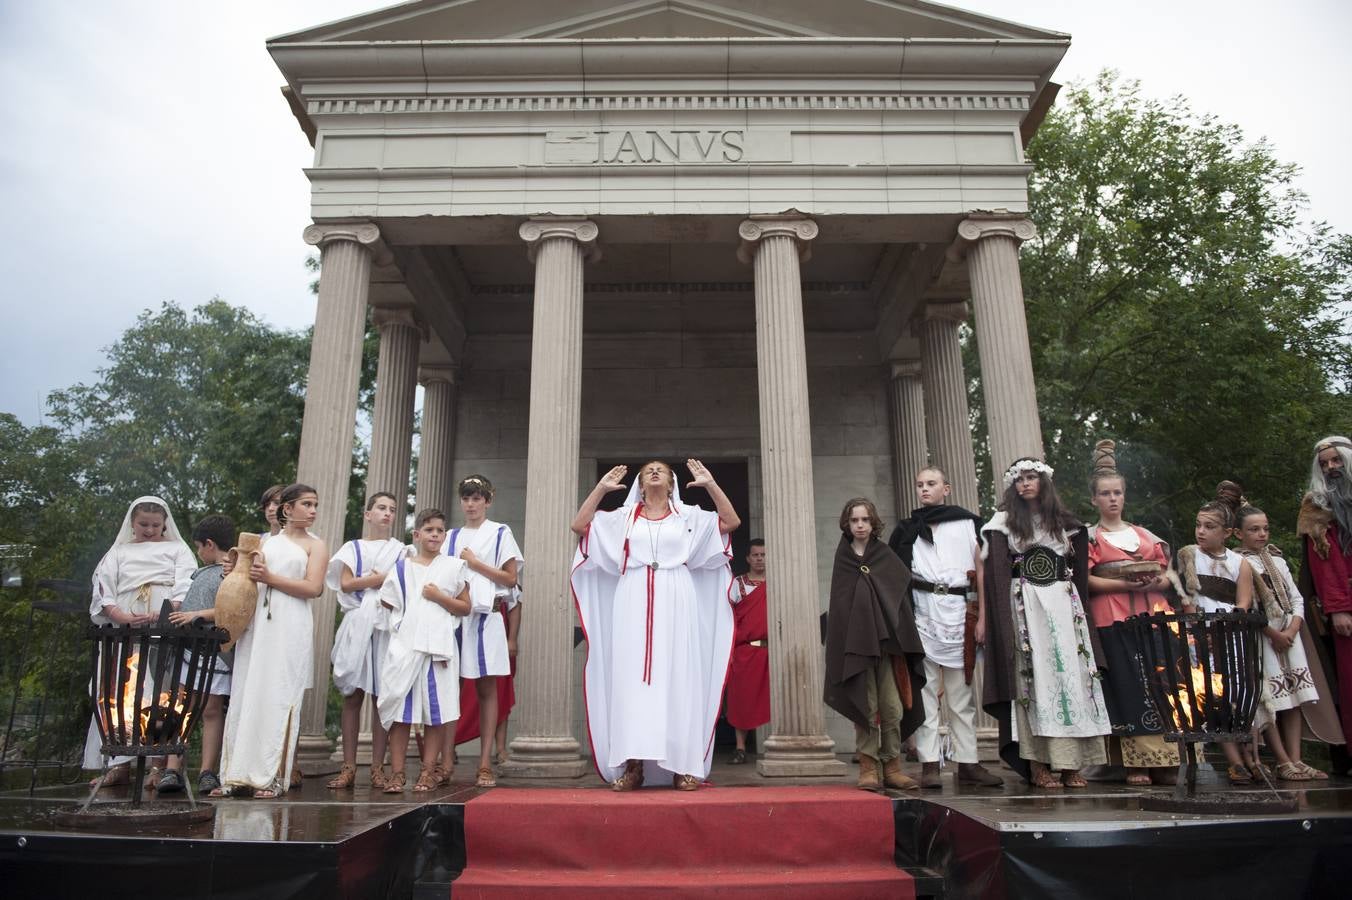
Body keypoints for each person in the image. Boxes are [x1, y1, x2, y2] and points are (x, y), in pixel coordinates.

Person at [571, 459, 738, 791]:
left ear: (672, 483)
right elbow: (579, 525)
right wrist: (601, 489)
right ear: (641, 483)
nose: (655, 472)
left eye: (661, 469)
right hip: (632, 595)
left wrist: (710, 485)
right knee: (633, 682)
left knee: (677, 678)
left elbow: (731, 521)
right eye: (648, 471)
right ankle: (634, 766)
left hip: (677, 594)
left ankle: (683, 767)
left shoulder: (689, 516)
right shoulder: (622, 518)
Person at [982, 459, 1110, 790]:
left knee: (1070, 675)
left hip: (1063, 603)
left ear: (1044, 483)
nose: (1025, 484)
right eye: (1019, 479)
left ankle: (1071, 766)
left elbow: (1079, 574)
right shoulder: (1003, 523)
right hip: (1025, 606)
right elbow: (996, 575)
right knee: (1033, 678)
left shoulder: (1066, 524)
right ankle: (1038, 765)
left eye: (1031, 478)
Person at [890, 468, 1002, 789]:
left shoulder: (970, 524)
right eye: (920, 485)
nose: (924, 489)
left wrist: (983, 618)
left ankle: (968, 762)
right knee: (924, 693)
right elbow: (895, 575)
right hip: (922, 611)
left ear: (946, 489)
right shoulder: (908, 528)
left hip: (959, 613)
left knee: (960, 694)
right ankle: (929, 763)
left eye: (931, 484)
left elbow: (982, 573)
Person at [214, 484, 327, 799]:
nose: (313, 510)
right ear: (287, 509)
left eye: (315, 504)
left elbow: (314, 588)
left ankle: (272, 776)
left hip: (291, 623)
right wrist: (234, 570)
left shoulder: (316, 546)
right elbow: (244, 581)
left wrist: (271, 578)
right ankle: (236, 775)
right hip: (258, 627)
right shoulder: (264, 543)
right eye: (307, 504)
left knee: (280, 693)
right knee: (249, 691)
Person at [1082, 441, 1180, 787]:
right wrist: (1126, 582)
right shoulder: (1089, 539)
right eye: (1105, 494)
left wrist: (1154, 580)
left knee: (1162, 686)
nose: (1112, 499)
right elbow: (1084, 580)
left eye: (1117, 493)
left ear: (1125, 496)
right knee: (1126, 689)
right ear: (1094, 499)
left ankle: (1167, 759)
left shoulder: (1144, 535)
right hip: (1112, 621)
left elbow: (1170, 576)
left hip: (1153, 620)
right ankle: (1132, 761)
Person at [83, 496, 196, 786]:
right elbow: (103, 586)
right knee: (117, 690)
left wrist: (168, 611)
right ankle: (119, 763)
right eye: (143, 524)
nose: (149, 529)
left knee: (159, 691)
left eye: (155, 525)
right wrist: (119, 615)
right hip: (125, 626)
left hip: (163, 622)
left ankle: (157, 765)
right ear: (132, 523)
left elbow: (187, 581)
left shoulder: (177, 548)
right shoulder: (118, 552)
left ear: (164, 524)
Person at [1235, 498, 1343, 779]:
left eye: (1265, 529)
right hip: (1262, 637)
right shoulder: (1238, 563)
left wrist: (1292, 630)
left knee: (1294, 697)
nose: (1262, 534)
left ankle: (1296, 760)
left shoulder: (1278, 561)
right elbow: (1246, 606)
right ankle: (1282, 760)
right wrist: (1272, 633)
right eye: (1254, 529)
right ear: (1238, 534)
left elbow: (1296, 599)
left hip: (1288, 635)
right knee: (1272, 700)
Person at [826, 497, 925, 791]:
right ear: (847, 523)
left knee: (892, 707)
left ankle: (892, 766)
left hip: (888, 647)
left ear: (873, 523)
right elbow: (842, 603)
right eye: (854, 520)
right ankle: (868, 766)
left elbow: (898, 598)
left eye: (865, 520)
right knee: (865, 706)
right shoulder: (843, 558)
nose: (859, 525)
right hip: (857, 647)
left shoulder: (884, 555)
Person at [376, 509, 471, 793]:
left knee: (436, 713)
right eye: (429, 530)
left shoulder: (453, 566)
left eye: (440, 530)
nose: (435, 535)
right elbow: (388, 601)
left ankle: (428, 771)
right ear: (417, 534)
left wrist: (439, 597)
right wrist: (410, 623)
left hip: (437, 650)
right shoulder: (402, 568)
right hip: (406, 647)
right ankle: (398, 773)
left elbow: (465, 607)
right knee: (402, 713)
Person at [1174, 481, 1261, 784]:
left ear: (1226, 533)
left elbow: (1244, 603)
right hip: (1202, 637)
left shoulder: (1241, 563)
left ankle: (1251, 757)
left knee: (1238, 696)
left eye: (1209, 527)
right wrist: (1201, 632)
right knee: (1214, 695)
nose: (1201, 531)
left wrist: (1227, 628)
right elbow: (1188, 599)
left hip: (1232, 637)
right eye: (1198, 525)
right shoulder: (1189, 555)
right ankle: (1235, 760)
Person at [442, 475, 522, 788]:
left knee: (487, 690)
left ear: (488, 501)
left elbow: (510, 579)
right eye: (466, 498)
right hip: (454, 619)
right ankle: (445, 759)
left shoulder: (501, 532)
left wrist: (474, 563)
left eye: (477, 498)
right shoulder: (450, 536)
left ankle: (485, 761)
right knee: (450, 688)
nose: (471, 504)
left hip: (487, 618)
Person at [325, 492, 407, 790]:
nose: (387, 514)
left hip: (385, 626)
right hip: (357, 622)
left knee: (381, 697)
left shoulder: (400, 550)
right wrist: (375, 580)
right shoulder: (353, 547)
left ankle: (377, 767)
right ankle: (348, 766)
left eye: (393, 509)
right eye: (382, 508)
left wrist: (377, 580)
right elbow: (346, 583)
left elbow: (401, 583)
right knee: (353, 695)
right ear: (368, 513)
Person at [162, 514, 237, 795]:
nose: (197, 553)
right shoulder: (200, 574)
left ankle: (207, 770)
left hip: (215, 651)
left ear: (209, 544)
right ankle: (173, 766)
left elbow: (234, 609)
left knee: (211, 709)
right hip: (190, 649)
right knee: (181, 707)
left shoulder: (231, 575)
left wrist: (196, 614)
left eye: (198, 547)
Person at [1298, 435, 1352, 776]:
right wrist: (1339, 608)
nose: (1332, 468)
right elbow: (1325, 562)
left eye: (1337, 461)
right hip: (1346, 605)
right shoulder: (1316, 507)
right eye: (1325, 464)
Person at [726, 539, 770, 764]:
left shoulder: (777, 584)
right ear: (748, 558)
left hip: (771, 650)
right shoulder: (738, 584)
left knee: (772, 700)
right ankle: (740, 747)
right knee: (740, 699)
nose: (760, 559)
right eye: (756, 555)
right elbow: (729, 619)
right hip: (745, 651)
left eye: (763, 554)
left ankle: (772, 746)